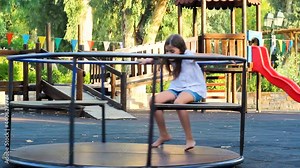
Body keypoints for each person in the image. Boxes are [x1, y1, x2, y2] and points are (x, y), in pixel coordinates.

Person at [139, 34, 207, 151]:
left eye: (172, 51)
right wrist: (146, 60)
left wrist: (227, 58)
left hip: (194, 88)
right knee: (154, 101)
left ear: (181, 50)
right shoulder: (169, 57)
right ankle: (164, 134)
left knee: (179, 102)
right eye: (167, 51)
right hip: (177, 88)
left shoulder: (188, 56)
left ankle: (189, 138)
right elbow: (157, 58)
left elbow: (207, 56)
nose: (169, 54)